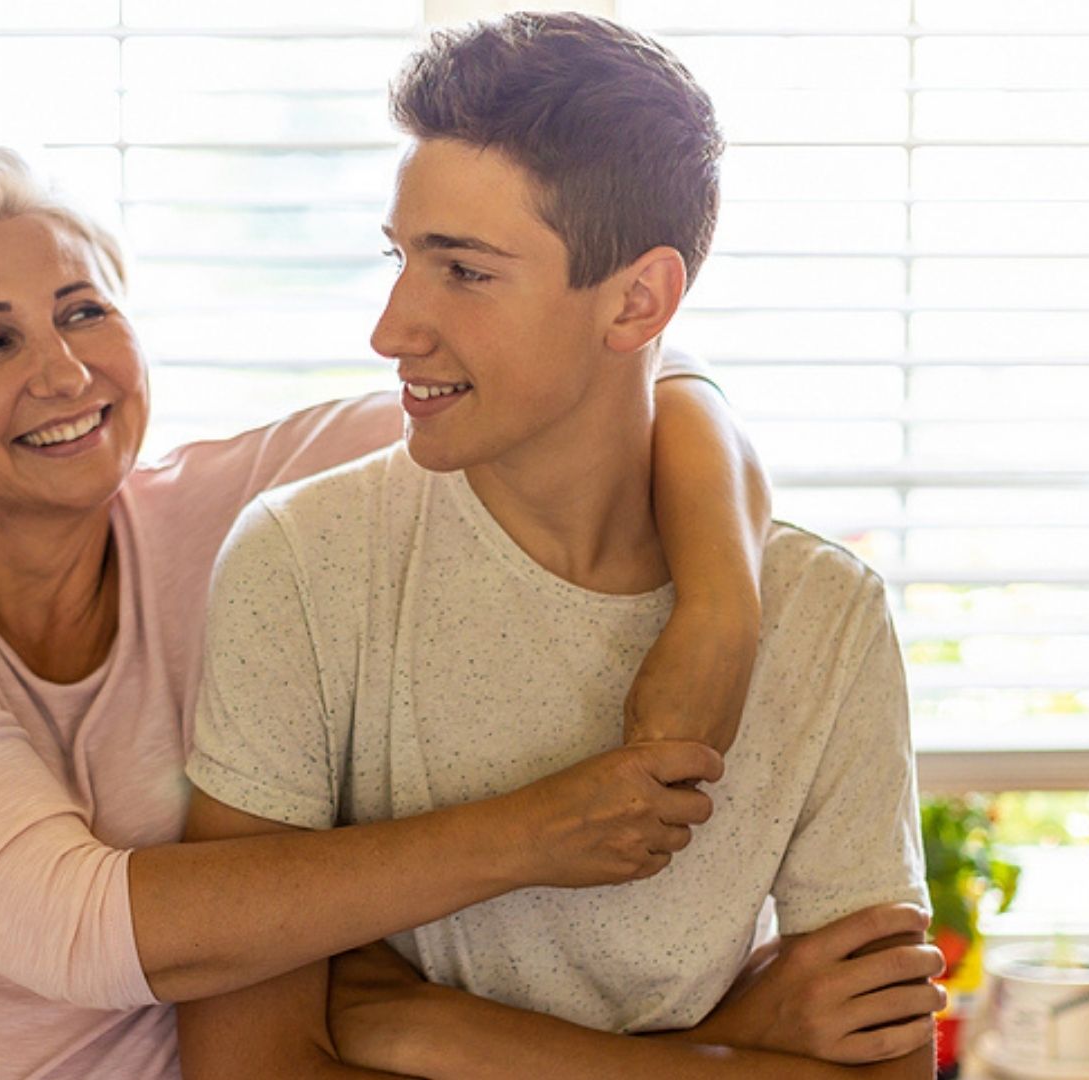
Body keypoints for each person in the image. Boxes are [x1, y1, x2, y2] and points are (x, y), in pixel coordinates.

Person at [0, 141, 778, 1078]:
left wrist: (721, 609)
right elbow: (71, 924)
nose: (62, 371)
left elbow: (609, 376)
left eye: (82, 310)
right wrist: (532, 835)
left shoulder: (237, 517)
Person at [179, 13, 939, 1080]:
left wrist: (426, 1029)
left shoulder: (826, 616)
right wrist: (726, 1056)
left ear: (638, 301)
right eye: (402, 258)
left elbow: (882, 1063)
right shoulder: (303, 564)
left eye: (465, 272)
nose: (393, 328)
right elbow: (249, 1066)